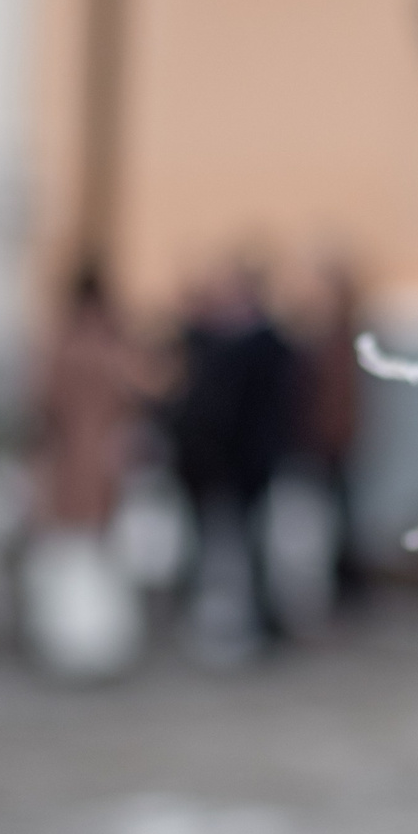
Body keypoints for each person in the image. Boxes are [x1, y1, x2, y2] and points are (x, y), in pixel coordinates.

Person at [166, 262, 296, 662]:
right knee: (215, 541)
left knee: (247, 542)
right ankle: (228, 615)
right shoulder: (212, 342)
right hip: (215, 461)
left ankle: (255, 619)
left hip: (244, 460)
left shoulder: (259, 346)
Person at [23, 262, 148, 677]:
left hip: (72, 462)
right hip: (100, 462)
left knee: (76, 553)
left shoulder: (64, 345)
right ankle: (94, 641)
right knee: (94, 553)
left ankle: (77, 641)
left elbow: (42, 403)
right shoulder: (113, 346)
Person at [300, 255, 370, 607]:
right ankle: (342, 584)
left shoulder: (341, 337)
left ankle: (347, 585)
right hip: (329, 439)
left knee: (339, 515)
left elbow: (341, 396)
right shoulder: (328, 334)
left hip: (333, 440)